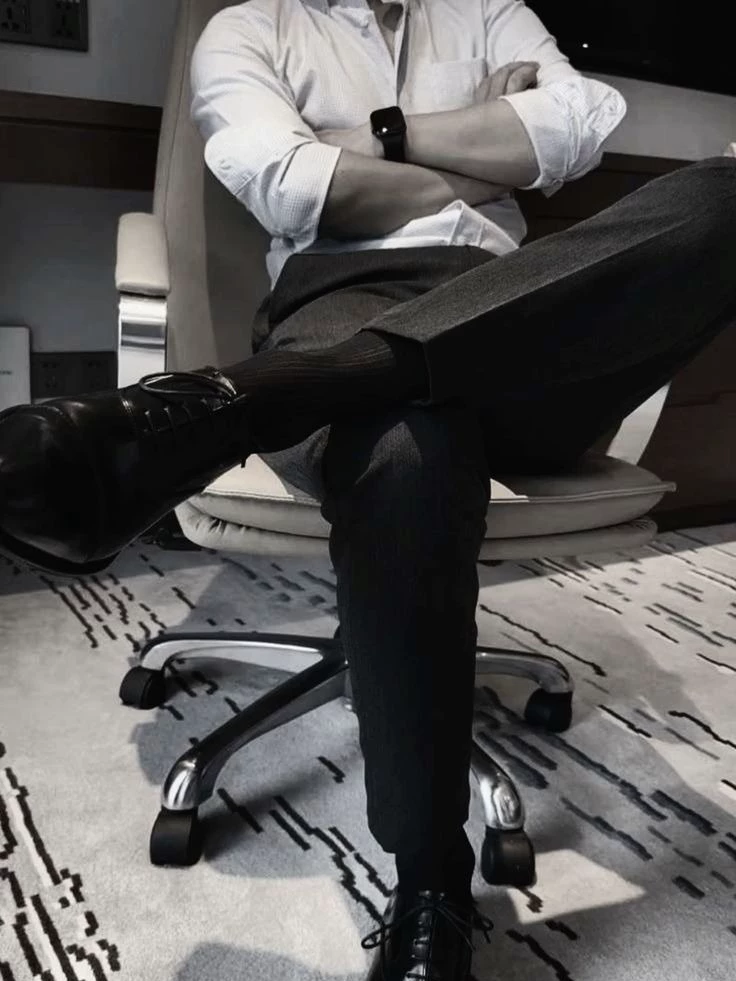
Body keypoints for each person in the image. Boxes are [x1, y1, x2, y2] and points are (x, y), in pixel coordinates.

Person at [1, 0, 735, 977]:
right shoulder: (247, 26)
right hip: (338, 297)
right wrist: (487, 154)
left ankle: (246, 404)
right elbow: (287, 184)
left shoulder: (491, 11)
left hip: (526, 322)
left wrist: (379, 139)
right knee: (405, 448)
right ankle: (431, 884)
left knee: (725, 200)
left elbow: (581, 123)